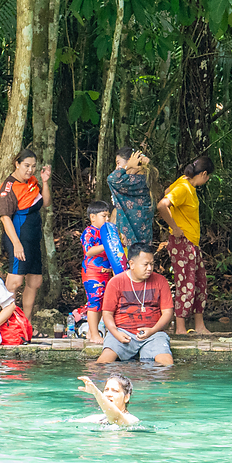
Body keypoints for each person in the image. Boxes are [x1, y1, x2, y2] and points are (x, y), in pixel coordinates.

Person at [157, 155, 214, 335]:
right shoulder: (184, 187)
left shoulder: (184, 183)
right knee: (185, 283)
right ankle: (180, 328)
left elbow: (167, 190)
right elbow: (162, 204)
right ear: (204, 174)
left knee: (199, 282)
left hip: (192, 242)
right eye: (208, 177)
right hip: (183, 241)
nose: (208, 180)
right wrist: (174, 226)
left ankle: (199, 325)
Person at [0, 148, 52, 328]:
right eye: (26, 166)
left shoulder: (32, 181)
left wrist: (44, 182)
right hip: (18, 236)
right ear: (17, 164)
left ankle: (25, 325)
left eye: (33, 166)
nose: (30, 170)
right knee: (15, 281)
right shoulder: (8, 186)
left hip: (34, 236)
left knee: (35, 281)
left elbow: (44, 203)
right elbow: (5, 217)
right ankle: (9, 325)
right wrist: (16, 244)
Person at [97, 242, 174, 366]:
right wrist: (116, 333)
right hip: (122, 332)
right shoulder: (116, 282)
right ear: (131, 264)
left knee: (166, 365)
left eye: (152, 264)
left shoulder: (161, 281)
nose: (149, 268)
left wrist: (153, 330)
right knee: (103, 363)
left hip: (154, 333)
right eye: (145, 264)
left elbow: (167, 312)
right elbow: (107, 314)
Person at [107, 147, 156, 246]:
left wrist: (127, 166)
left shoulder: (137, 180)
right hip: (140, 235)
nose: (117, 168)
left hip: (133, 236)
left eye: (118, 163)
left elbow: (111, 179)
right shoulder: (141, 179)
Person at [80, 200, 114, 344]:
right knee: (94, 302)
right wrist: (106, 245)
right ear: (92, 217)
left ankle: (90, 332)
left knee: (101, 302)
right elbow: (88, 251)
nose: (106, 219)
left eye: (108, 216)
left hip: (105, 272)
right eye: (103, 216)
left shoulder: (106, 232)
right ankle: (94, 334)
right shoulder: (89, 232)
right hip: (92, 273)